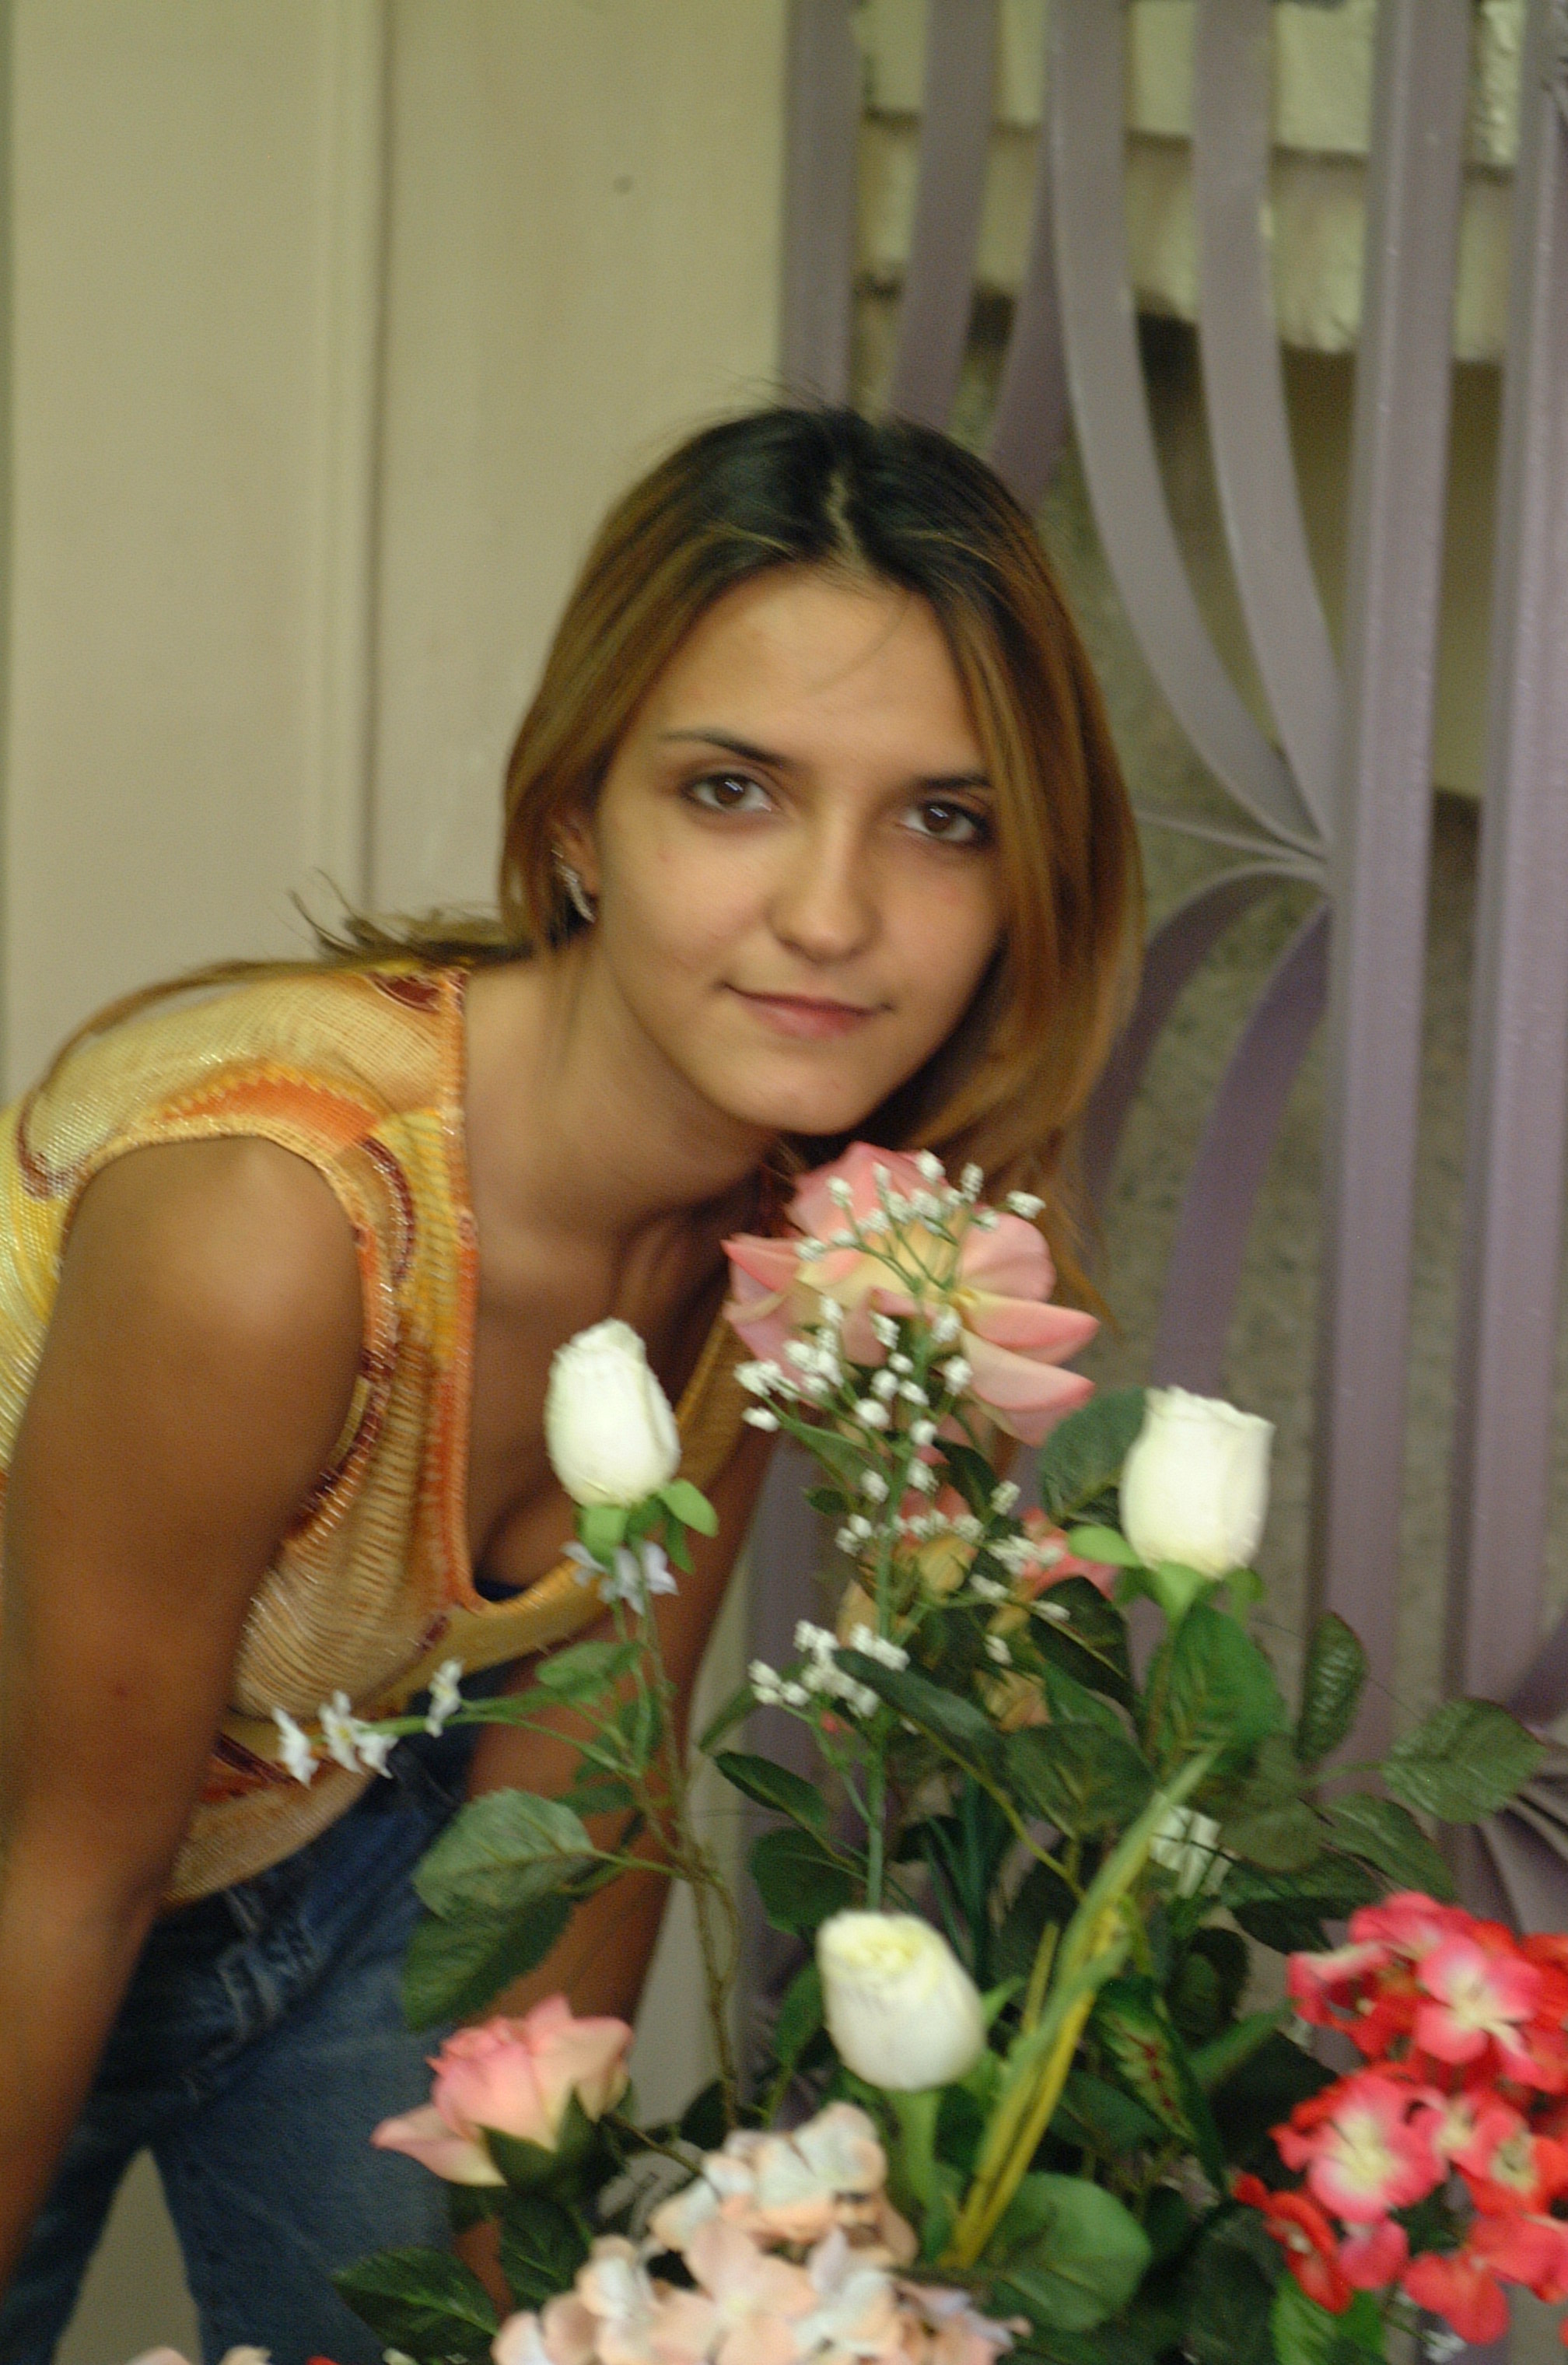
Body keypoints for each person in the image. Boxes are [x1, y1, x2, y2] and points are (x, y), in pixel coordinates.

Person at [0, 406, 1138, 2364]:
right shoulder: (277, 1219)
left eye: (943, 818)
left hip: (339, 1833)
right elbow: (63, 1867)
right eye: (734, 790)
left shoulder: (810, 1227)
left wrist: (534, 2308)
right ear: (575, 820)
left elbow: (592, 1781)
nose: (833, 912)